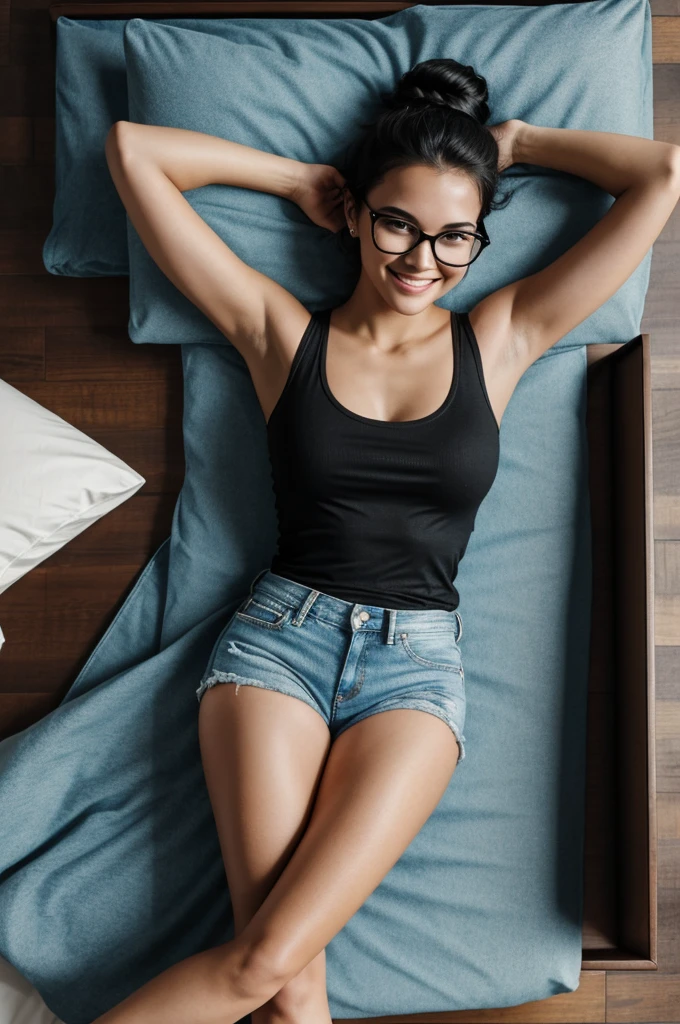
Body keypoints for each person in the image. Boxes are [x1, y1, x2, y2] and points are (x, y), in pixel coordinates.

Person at [99, 58, 679, 1024]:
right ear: (359, 215)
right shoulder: (283, 333)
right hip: (276, 647)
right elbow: (134, 153)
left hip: (415, 672)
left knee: (273, 970)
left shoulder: (500, 336)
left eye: (457, 236)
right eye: (399, 224)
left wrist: (522, 143)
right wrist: (296, 182)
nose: (424, 259)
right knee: (280, 985)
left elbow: (660, 174)